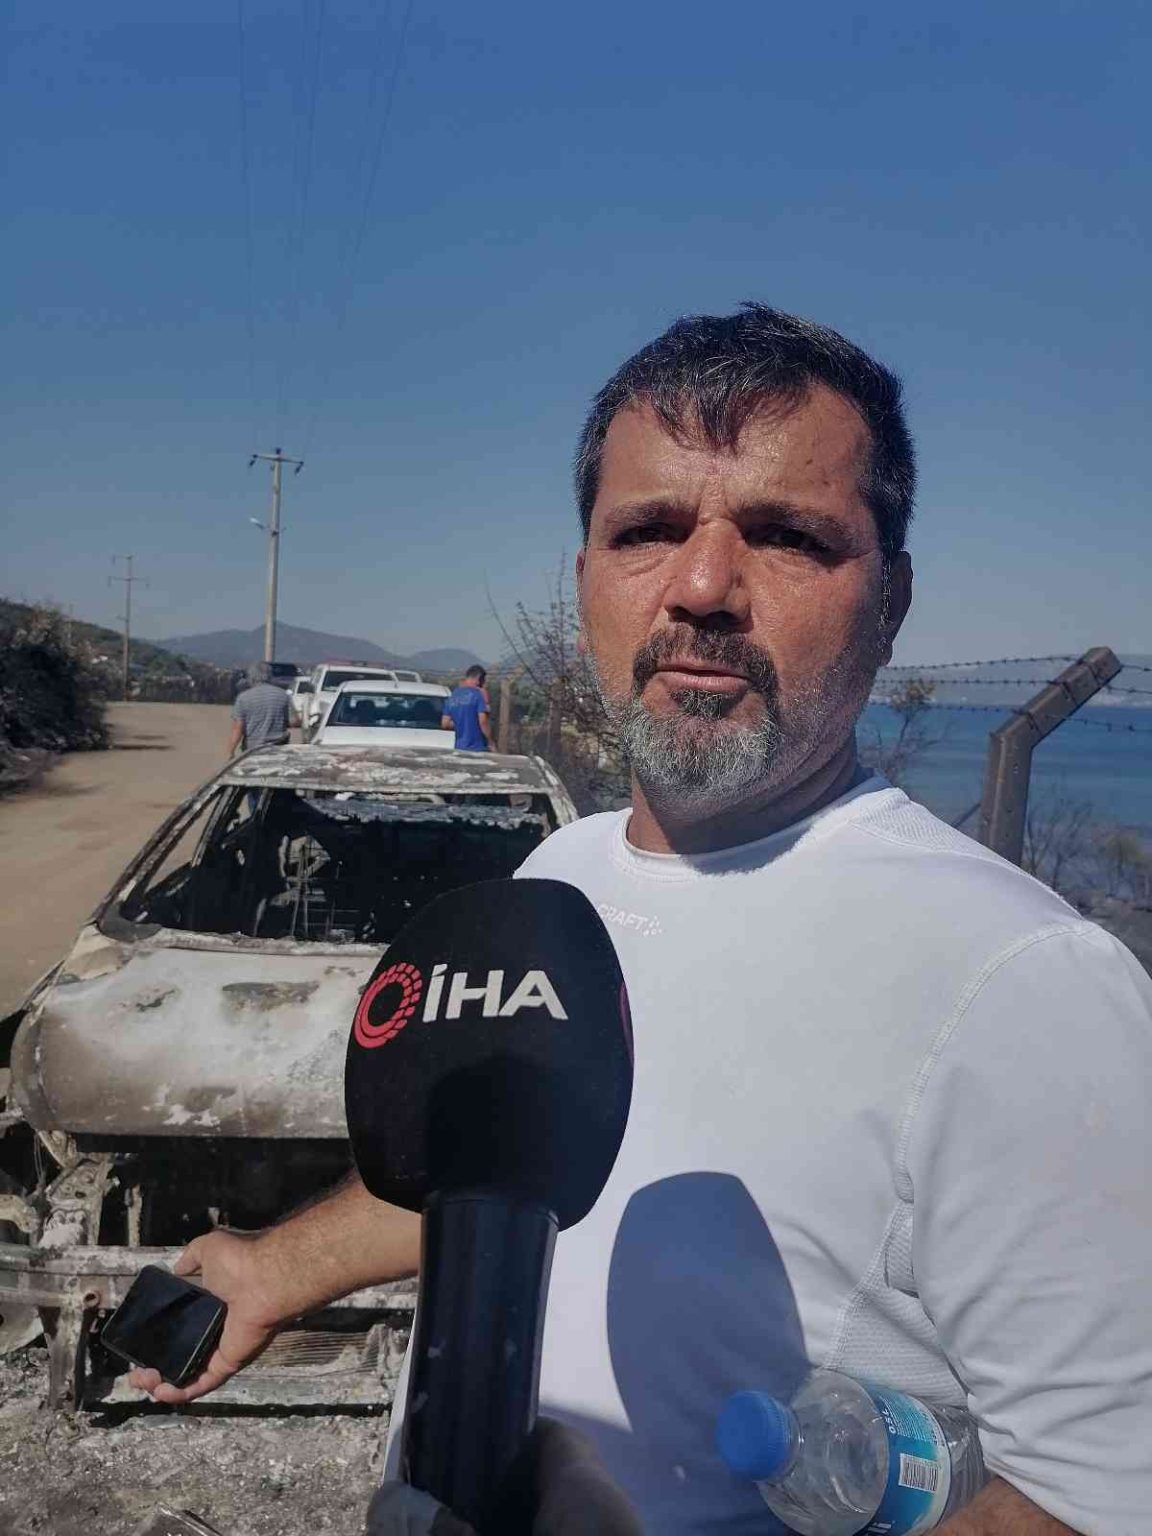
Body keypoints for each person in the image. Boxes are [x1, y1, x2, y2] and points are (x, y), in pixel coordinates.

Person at [134, 305, 1152, 1535]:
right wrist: (270, 1269)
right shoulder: (558, 876)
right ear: (585, 588)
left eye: (787, 536)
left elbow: (1096, 1497)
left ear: (890, 602)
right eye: (649, 530)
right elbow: (497, 1170)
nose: (703, 587)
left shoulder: (1024, 984)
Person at [228, 661, 292, 755]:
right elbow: (294, 721)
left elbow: (238, 728)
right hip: (279, 748)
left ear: (251, 677)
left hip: (253, 749)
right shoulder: (283, 695)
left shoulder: (243, 698)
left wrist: (231, 752)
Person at [441, 665, 493, 751]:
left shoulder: (453, 696)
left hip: (459, 747)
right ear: (479, 679)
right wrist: (491, 742)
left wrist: (461, 722)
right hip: (478, 747)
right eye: (483, 681)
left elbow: (445, 724)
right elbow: (483, 722)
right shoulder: (478, 695)